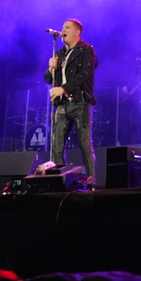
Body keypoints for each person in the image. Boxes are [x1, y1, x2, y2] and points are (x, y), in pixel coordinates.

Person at [45, 18, 98, 181]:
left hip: (80, 101)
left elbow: (84, 75)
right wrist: (50, 68)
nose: (63, 30)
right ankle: (61, 179)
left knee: (84, 144)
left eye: (67, 27)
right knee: (56, 146)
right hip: (62, 104)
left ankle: (90, 181)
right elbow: (48, 79)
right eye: (62, 27)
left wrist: (64, 88)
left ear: (77, 32)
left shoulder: (86, 50)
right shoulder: (59, 54)